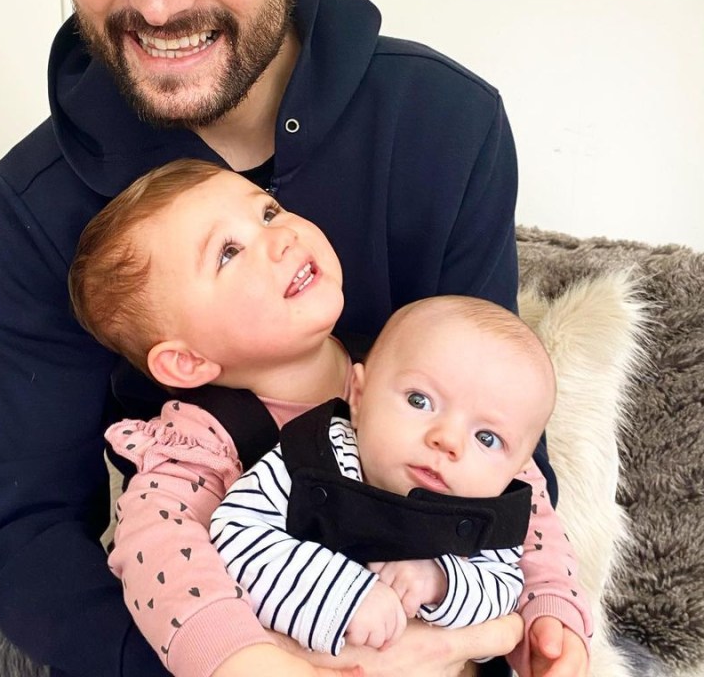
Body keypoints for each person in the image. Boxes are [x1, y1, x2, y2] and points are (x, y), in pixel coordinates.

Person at [0, 0, 569, 676]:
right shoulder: (36, 206)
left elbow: (504, 445)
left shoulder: (449, 131)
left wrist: (504, 630)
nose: (156, 2)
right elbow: (22, 534)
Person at [69, 159, 591, 677]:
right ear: (188, 361)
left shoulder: (417, 366)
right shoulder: (202, 443)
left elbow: (521, 498)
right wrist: (241, 659)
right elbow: (158, 553)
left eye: (269, 213)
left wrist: (550, 605)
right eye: (228, 252)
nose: (281, 239)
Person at [210, 295, 560, 656]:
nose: (447, 440)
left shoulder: (489, 516)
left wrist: (439, 581)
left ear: (517, 468)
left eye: (487, 438)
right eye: (419, 401)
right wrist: (344, 594)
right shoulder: (312, 460)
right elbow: (233, 536)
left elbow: (503, 590)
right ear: (359, 397)